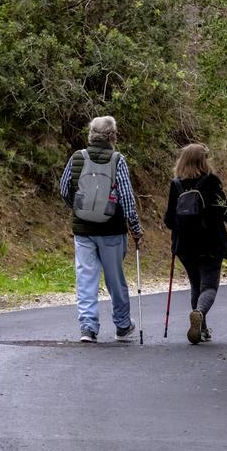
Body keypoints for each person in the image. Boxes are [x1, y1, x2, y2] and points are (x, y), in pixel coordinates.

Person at [59, 116, 144, 343]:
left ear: (91, 134)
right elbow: (126, 198)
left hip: (83, 231)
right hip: (112, 231)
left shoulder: (77, 157)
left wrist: (79, 210)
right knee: (115, 279)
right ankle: (123, 325)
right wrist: (135, 228)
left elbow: (64, 189)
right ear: (112, 136)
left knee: (86, 278)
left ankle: (88, 328)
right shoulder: (118, 160)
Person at [164, 143, 227, 345]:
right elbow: (224, 212)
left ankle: (201, 330)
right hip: (210, 243)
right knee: (210, 286)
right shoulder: (212, 181)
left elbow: (169, 220)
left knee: (196, 284)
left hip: (185, 245)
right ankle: (199, 313)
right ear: (203, 160)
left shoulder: (176, 184)